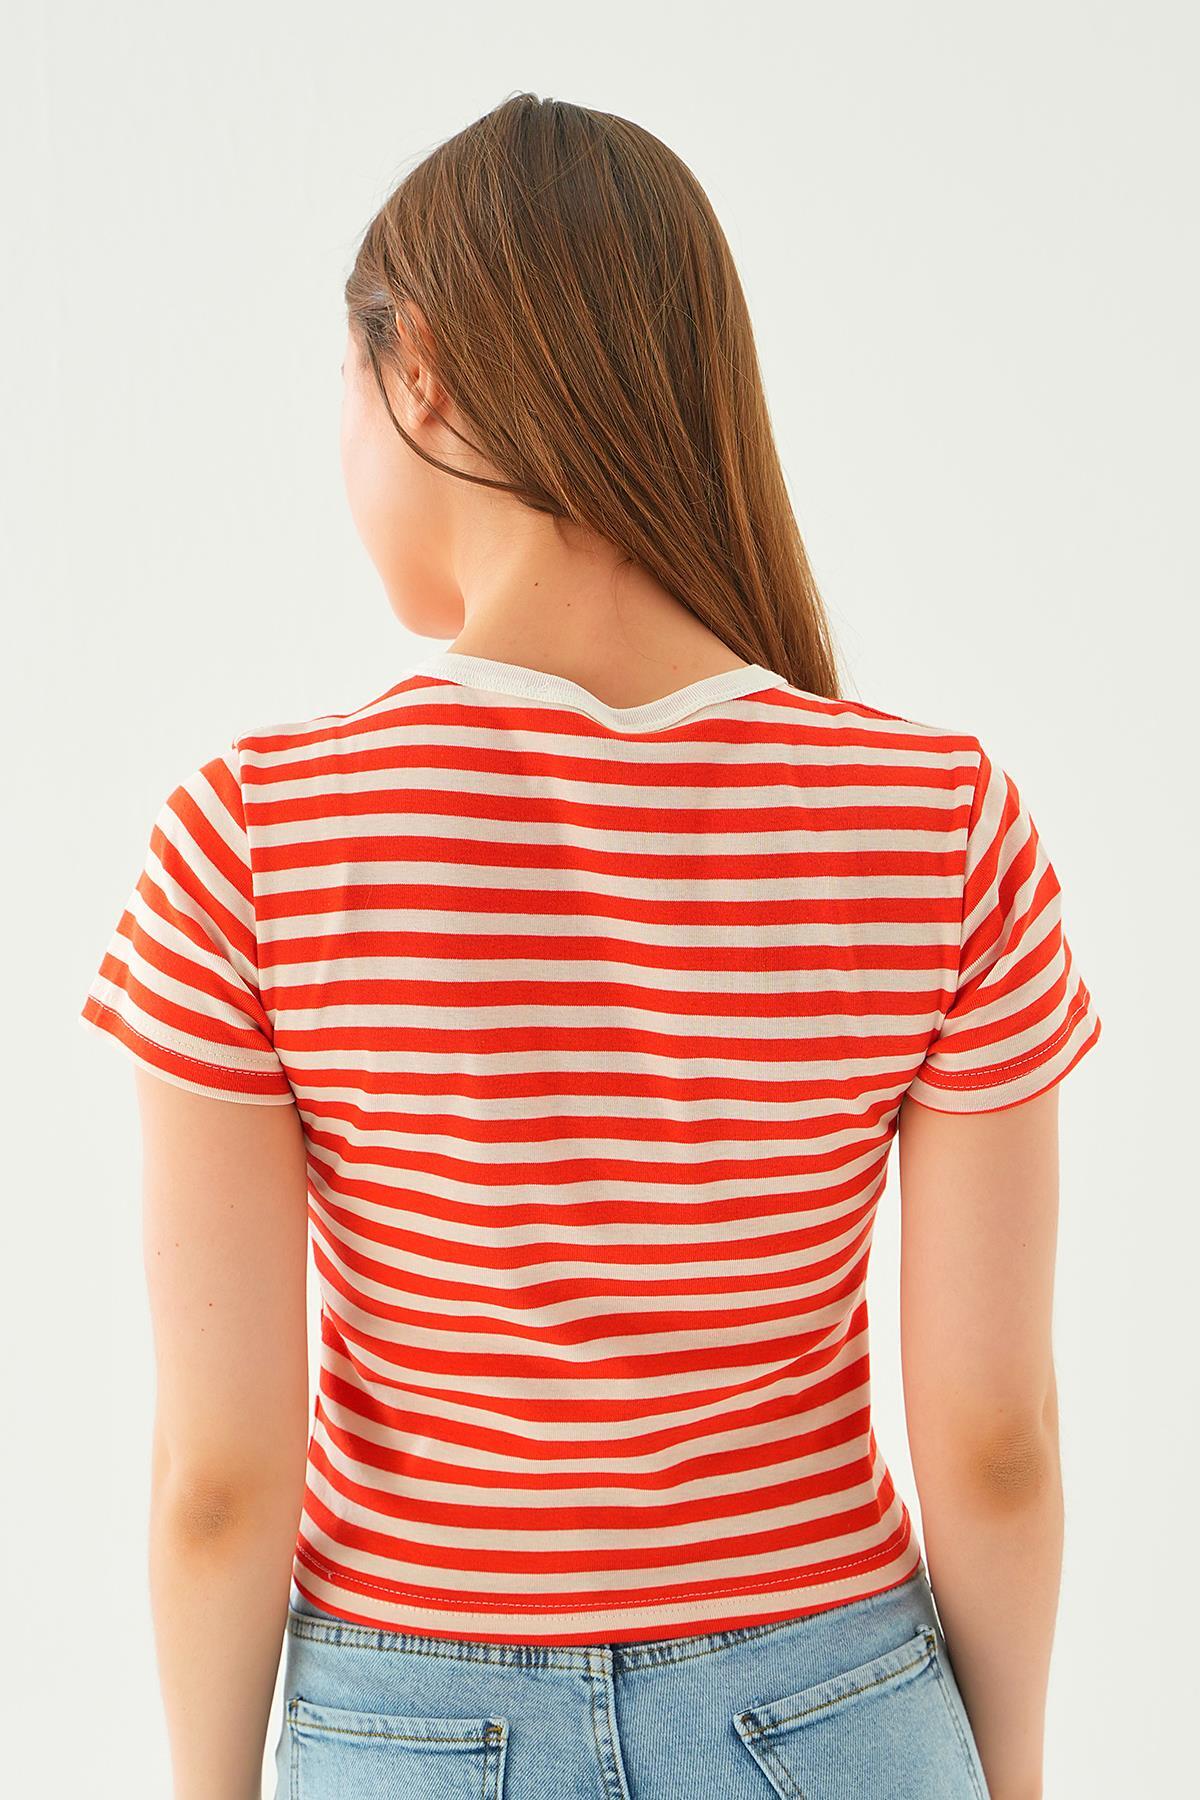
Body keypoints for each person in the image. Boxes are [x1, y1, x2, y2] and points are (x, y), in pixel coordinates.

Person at [78, 92, 1101, 1800]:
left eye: (345, 390)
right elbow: (995, 1445)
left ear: (419, 373)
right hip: (832, 1709)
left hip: (410, 1720)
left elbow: (217, 1482)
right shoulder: (939, 816)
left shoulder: (252, 836)